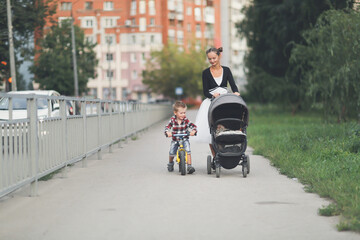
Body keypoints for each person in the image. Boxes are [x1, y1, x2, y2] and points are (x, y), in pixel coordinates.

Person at [193, 47, 240, 157]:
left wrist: (236, 92)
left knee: (226, 124)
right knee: (210, 131)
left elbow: (233, 85)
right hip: (212, 101)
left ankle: (228, 148)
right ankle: (215, 157)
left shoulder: (227, 70)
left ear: (219, 56)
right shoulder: (205, 73)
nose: (212, 61)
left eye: (214, 58)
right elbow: (205, 91)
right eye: (210, 59)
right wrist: (212, 95)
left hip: (224, 100)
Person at [165, 101, 197, 174]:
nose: (183, 115)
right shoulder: (172, 120)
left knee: (188, 151)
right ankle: (170, 163)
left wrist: (194, 131)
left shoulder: (186, 120)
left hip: (184, 138)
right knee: (172, 153)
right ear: (175, 113)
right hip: (175, 139)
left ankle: (189, 166)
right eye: (181, 113)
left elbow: (193, 126)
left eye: (184, 113)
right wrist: (167, 132)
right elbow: (167, 127)